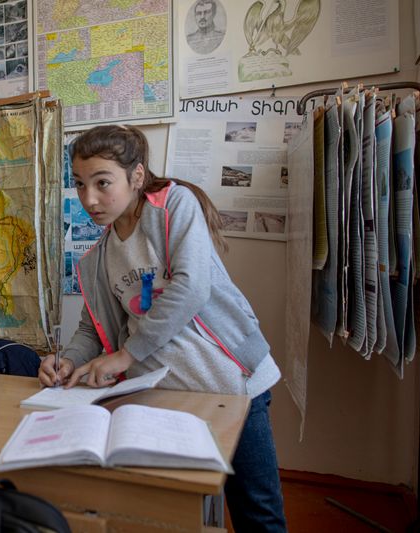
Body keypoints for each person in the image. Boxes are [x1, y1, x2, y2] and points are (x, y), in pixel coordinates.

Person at [38, 125, 286, 532]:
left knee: (257, 512)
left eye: (103, 183)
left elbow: (191, 288)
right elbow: (90, 329)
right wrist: (66, 361)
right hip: (166, 396)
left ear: (136, 177)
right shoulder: (98, 257)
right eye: (80, 185)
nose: (89, 199)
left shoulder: (173, 206)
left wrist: (125, 354)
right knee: (182, 510)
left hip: (232, 386)